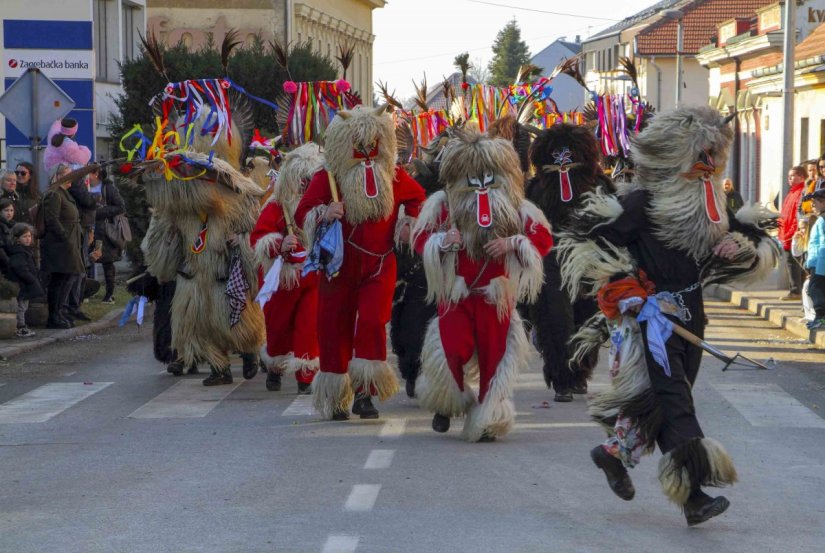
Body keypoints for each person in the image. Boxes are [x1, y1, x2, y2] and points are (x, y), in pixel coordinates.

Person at [559, 106, 779, 525]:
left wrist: (739, 245)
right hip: (651, 320)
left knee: (667, 400)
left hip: (692, 314)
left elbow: (749, 236)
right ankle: (693, 496)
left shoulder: (711, 201)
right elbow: (592, 244)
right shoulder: (644, 202)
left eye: (714, 156)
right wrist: (628, 290)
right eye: (702, 155)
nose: (709, 165)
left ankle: (613, 455)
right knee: (674, 402)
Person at [412, 129, 553, 442]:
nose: (482, 184)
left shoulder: (518, 209)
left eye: (489, 176)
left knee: (495, 357)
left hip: (495, 296)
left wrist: (513, 243)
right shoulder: (443, 206)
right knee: (451, 347)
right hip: (456, 294)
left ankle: (489, 418)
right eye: (474, 177)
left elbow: (542, 239)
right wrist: (443, 241)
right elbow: (421, 239)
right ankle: (446, 402)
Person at [295, 105, 426, 421]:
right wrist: (323, 214)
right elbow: (302, 212)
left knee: (371, 323)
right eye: (360, 143)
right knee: (333, 327)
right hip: (338, 265)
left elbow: (418, 198)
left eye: (373, 143)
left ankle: (365, 393)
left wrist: (408, 221)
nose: (367, 150)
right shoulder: (329, 175)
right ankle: (337, 395)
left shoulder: (394, 175)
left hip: (379, 265)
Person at [526, 123, 616, 402]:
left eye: (570, 155)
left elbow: (614, 223)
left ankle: (580, 371)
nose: (563, 162)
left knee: (589, 318)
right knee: (554, 318)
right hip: (551, 257)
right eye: (557, 155)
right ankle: (561, 378)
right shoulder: (535, 189)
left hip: (590, 258)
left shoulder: (601, 187)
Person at [250, 143, 323, 394]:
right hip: (281, 279)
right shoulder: (275, 206)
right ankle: (275, 367)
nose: (305, 183)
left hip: (311, 275)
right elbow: (257, 239)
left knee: (309, 326)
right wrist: (279, 244)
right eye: (302, 178)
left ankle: (306, 377)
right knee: (278, 328)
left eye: (309, 178)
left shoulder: (318, 207)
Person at [41, 164, 85, 329]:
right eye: (68, 175)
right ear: (59, 176)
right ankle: (54, 316)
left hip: (69, 243)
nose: (72, 179)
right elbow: (51, 219)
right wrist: (65, 237)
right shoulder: (54, 194)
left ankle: (59, 313)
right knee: (59, 280)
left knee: (66, 278)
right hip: (60, 245)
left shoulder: (64, 193)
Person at [90, 167, 126, 303]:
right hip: (89, 229)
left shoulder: (108, 188)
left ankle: (109, 293)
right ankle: (87, 291)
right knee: (86, 260)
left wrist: (99, 212)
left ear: (96, 174)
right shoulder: (84, 187)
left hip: (105, 231)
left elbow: (121, 206)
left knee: (107, 262)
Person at [7, 223, 45, 337]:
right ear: (17, 238)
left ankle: (22, 325)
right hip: (22, 284)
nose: (28, 239)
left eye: (29, 236)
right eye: (25, 237)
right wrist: (31, 279)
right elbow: (20, 268)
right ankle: (20, 327)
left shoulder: (25, 250)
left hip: (26, 283)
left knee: (24, 305)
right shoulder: (19, 252)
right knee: (21, 306)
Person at [778, 166, 807, 300]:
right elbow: (784, 215)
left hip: (792, 234)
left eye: (793, 176)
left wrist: (790, 233)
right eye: (789, 176)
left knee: (793, 262)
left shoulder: (801, 192)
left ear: (801, 177)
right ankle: (796, 290)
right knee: (791, 262)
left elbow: (797, 216)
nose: (789, 179)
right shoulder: (791, 192)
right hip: (785, 233)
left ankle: (796, 291)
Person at [804, 189, 825, 329]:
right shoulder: (820, 219)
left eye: (815, 202)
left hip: (821, 263)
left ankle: (821, 317)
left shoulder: (823, 220)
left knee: (814, 289)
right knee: (816, 289)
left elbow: (822, 244)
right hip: (816, 262)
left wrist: (819, 266)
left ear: (824, 203)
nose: (812, 205)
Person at [0, 198, 16, 274]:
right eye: (6, 210)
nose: (9, 213)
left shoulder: (14, 225)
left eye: (11, 210)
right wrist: (10, 263)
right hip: (4, 267)